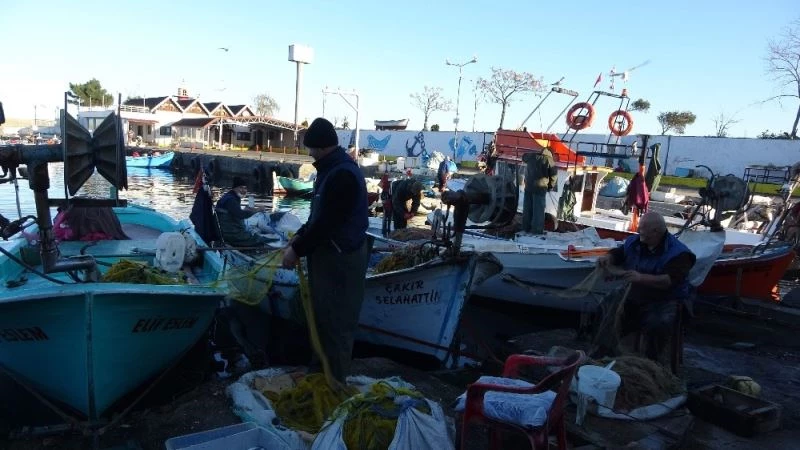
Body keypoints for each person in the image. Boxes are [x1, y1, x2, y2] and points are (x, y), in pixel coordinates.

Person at [281, 117, 369, 383]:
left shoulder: (342, 174)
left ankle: (335, 383)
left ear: (321, 146)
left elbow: (328, 223)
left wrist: (296, 250)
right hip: (326, 258)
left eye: (310, 148)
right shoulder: (329, 171)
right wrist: (299, 235)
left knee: (336, 324)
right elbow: (317, 217)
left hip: (341, 260)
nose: (309, 153)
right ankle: (319, 374)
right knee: (321, 319)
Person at [597, 212, 696, 361]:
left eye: (642, 228)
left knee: (658, 325)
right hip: (636, 294)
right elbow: (620, 253)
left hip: (665, 299)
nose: (638, 230)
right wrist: (608, 257)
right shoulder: (635, 241)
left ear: (655, 231)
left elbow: (669, 281)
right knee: (606, 307)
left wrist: (641, 278)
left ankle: (651, 362)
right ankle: (605, 351)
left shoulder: (680, 254)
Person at [215, 176, 270, 247]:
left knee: (254, 234)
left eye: (245, 188)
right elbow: (241, 215)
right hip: (231, 234)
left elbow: (234, 213)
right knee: (260, 240)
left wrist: (246, 210)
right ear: (234, 188)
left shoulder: (229, 196)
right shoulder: (231, 200)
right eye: (241, 187)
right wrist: (257, 210)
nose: (243, 190)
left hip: (226, 230)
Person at [521, 147, 558, 234]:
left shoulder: (532, 156)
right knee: (538, 211)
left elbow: (523, 157)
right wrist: (550, 187)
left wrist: (532, 154)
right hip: (540, 189)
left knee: (527, 209)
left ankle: (525, 228)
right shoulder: (549, 160)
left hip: (528, 187)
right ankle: (536, 231)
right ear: (551, 153)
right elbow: (554, 176)